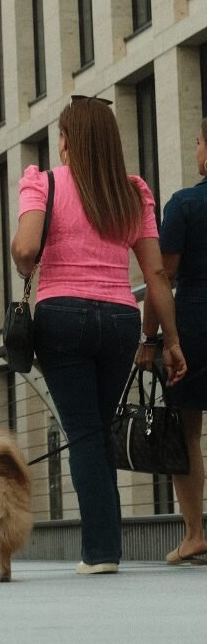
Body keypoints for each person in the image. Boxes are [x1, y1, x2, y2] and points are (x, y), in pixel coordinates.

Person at [11, 95, 186, 576]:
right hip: (119, 319)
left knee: (86, 434)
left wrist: (28, 259)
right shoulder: (132, 193)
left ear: (68, 141)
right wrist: (169, 342)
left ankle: (101, 551)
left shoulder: (44, 183)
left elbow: (25, 249)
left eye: (62, 136)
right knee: (99, 432)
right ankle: (107, 545)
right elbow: (156, 276)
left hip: (62, 316)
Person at [146, 118, 207, 564]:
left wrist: (151, 338)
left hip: (194, 329)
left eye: (200, 139)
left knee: (187, 433)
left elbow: (160, 276)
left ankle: (195, 534)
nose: (196, 148)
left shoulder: (185, 205)